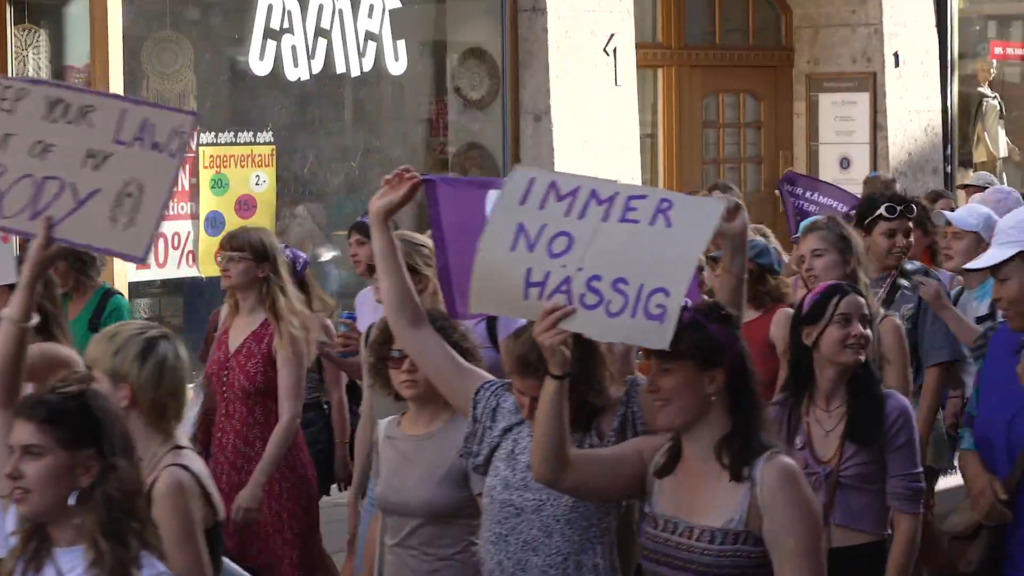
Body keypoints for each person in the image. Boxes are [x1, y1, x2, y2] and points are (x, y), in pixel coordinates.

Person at [367, 167, 657, 575]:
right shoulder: (497, 408)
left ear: (577, 386)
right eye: (519, 392)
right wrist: (380, 222)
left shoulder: (613, 421)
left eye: (538, 399)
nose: (524, 407)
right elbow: (412, 327)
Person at [530, 298, 825, 576]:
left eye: (666, 370)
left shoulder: (773, 480)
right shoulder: (655, 461)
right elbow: (553, 470)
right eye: (650, 369)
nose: (651, 386)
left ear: (712, 379)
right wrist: (557, 371)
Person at [0, 218, 171, 576]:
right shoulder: (27, 540)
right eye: (13, 452)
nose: (11, 468)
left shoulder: (52, 357)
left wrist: (28, 280)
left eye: (31, 453)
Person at [772, 281, 924, 576]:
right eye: (844, 321)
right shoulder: (783, 413)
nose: (860, 331)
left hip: (867, 562)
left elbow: (908, 517)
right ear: (808, 334)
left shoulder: (890, 410)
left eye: (865, 322)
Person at [195, 226, 321, 576]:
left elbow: (290, 416)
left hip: (273, 472)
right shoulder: (225, 316)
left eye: (236, 258)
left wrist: (257, 484)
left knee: (283, 564)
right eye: (223, 257)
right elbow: (210, 395)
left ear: (263, 269)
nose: (225, 264)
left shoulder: (283, 328)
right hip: (224, 465)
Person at [84, 321, 226, 576]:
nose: (87, 391)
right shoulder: (151, 457)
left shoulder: (171, 482)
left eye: (94, 380)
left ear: (124, 395)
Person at [346, 230, 442, 576]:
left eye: (380, 272)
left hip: (439, 484)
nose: (373, 283)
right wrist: (357, 491)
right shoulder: (375, 335)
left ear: (415, 279)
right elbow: (369, 412)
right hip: (381, 481)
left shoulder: (450, 336)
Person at [852, 192, 966, 472]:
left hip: (913, 418)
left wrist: (919, 438)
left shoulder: (923, 282)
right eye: (890, 234)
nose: (902, 243)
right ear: (863, 235)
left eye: (907, 233)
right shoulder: (846, 281)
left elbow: (935, 368)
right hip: (857, 424)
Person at [365, 311, 484, 575]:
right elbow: (381, 521)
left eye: (418, 354)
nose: (406, 366)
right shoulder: (384, 433)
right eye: (396, 356)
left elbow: (497, 528)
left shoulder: (473, 434)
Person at [953, 206, 1024, 575]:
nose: (995, 295)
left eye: (1004, 279)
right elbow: (969, 427)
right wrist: (977, 476)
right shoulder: (998, 342)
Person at [777, 216, 912, 399]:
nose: (807, 267)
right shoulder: (800, 324)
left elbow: (898, 409)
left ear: (849, 261)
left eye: (818, 255)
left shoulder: (886, 328)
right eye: (802, 260)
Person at [710, 238, 790, 401]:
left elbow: (789, 377)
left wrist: (772, 419)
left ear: (750, 272)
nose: (717, 273)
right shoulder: (720, 319)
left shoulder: (780, 317)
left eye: (724, 266)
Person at [50, 247, 131, 353]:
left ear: (78, 263)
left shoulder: (113, 306)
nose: (51, 271)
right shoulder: (57, 302)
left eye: (56, 263)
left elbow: (120, 361)